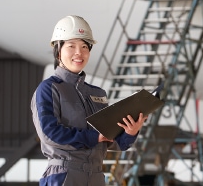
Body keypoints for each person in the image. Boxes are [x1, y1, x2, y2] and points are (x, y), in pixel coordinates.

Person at [31, 15, 147, 185]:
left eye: (85, 46)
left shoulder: (97, 93)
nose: (79, 52)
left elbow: (112, 141)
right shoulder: (49, 89)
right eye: (71, 46)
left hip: (96, 176)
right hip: (65, 175)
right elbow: (50, 134)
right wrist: (94, 137)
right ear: (58, 50)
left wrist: (130, 133)